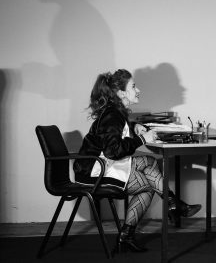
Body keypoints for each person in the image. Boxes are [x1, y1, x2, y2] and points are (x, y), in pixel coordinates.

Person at [73, 69, 201, 252]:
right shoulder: (112, 115)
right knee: (149, 175)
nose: (138, 90)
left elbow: (115, 135)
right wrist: (142, 139)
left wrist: (135, 127)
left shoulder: (115, 112)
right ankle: (172, 206)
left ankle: (169, 208)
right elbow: (113, 151)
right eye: (133, 86)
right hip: (94, 171)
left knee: (149, 167)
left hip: (101, 165)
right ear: (122, 93)